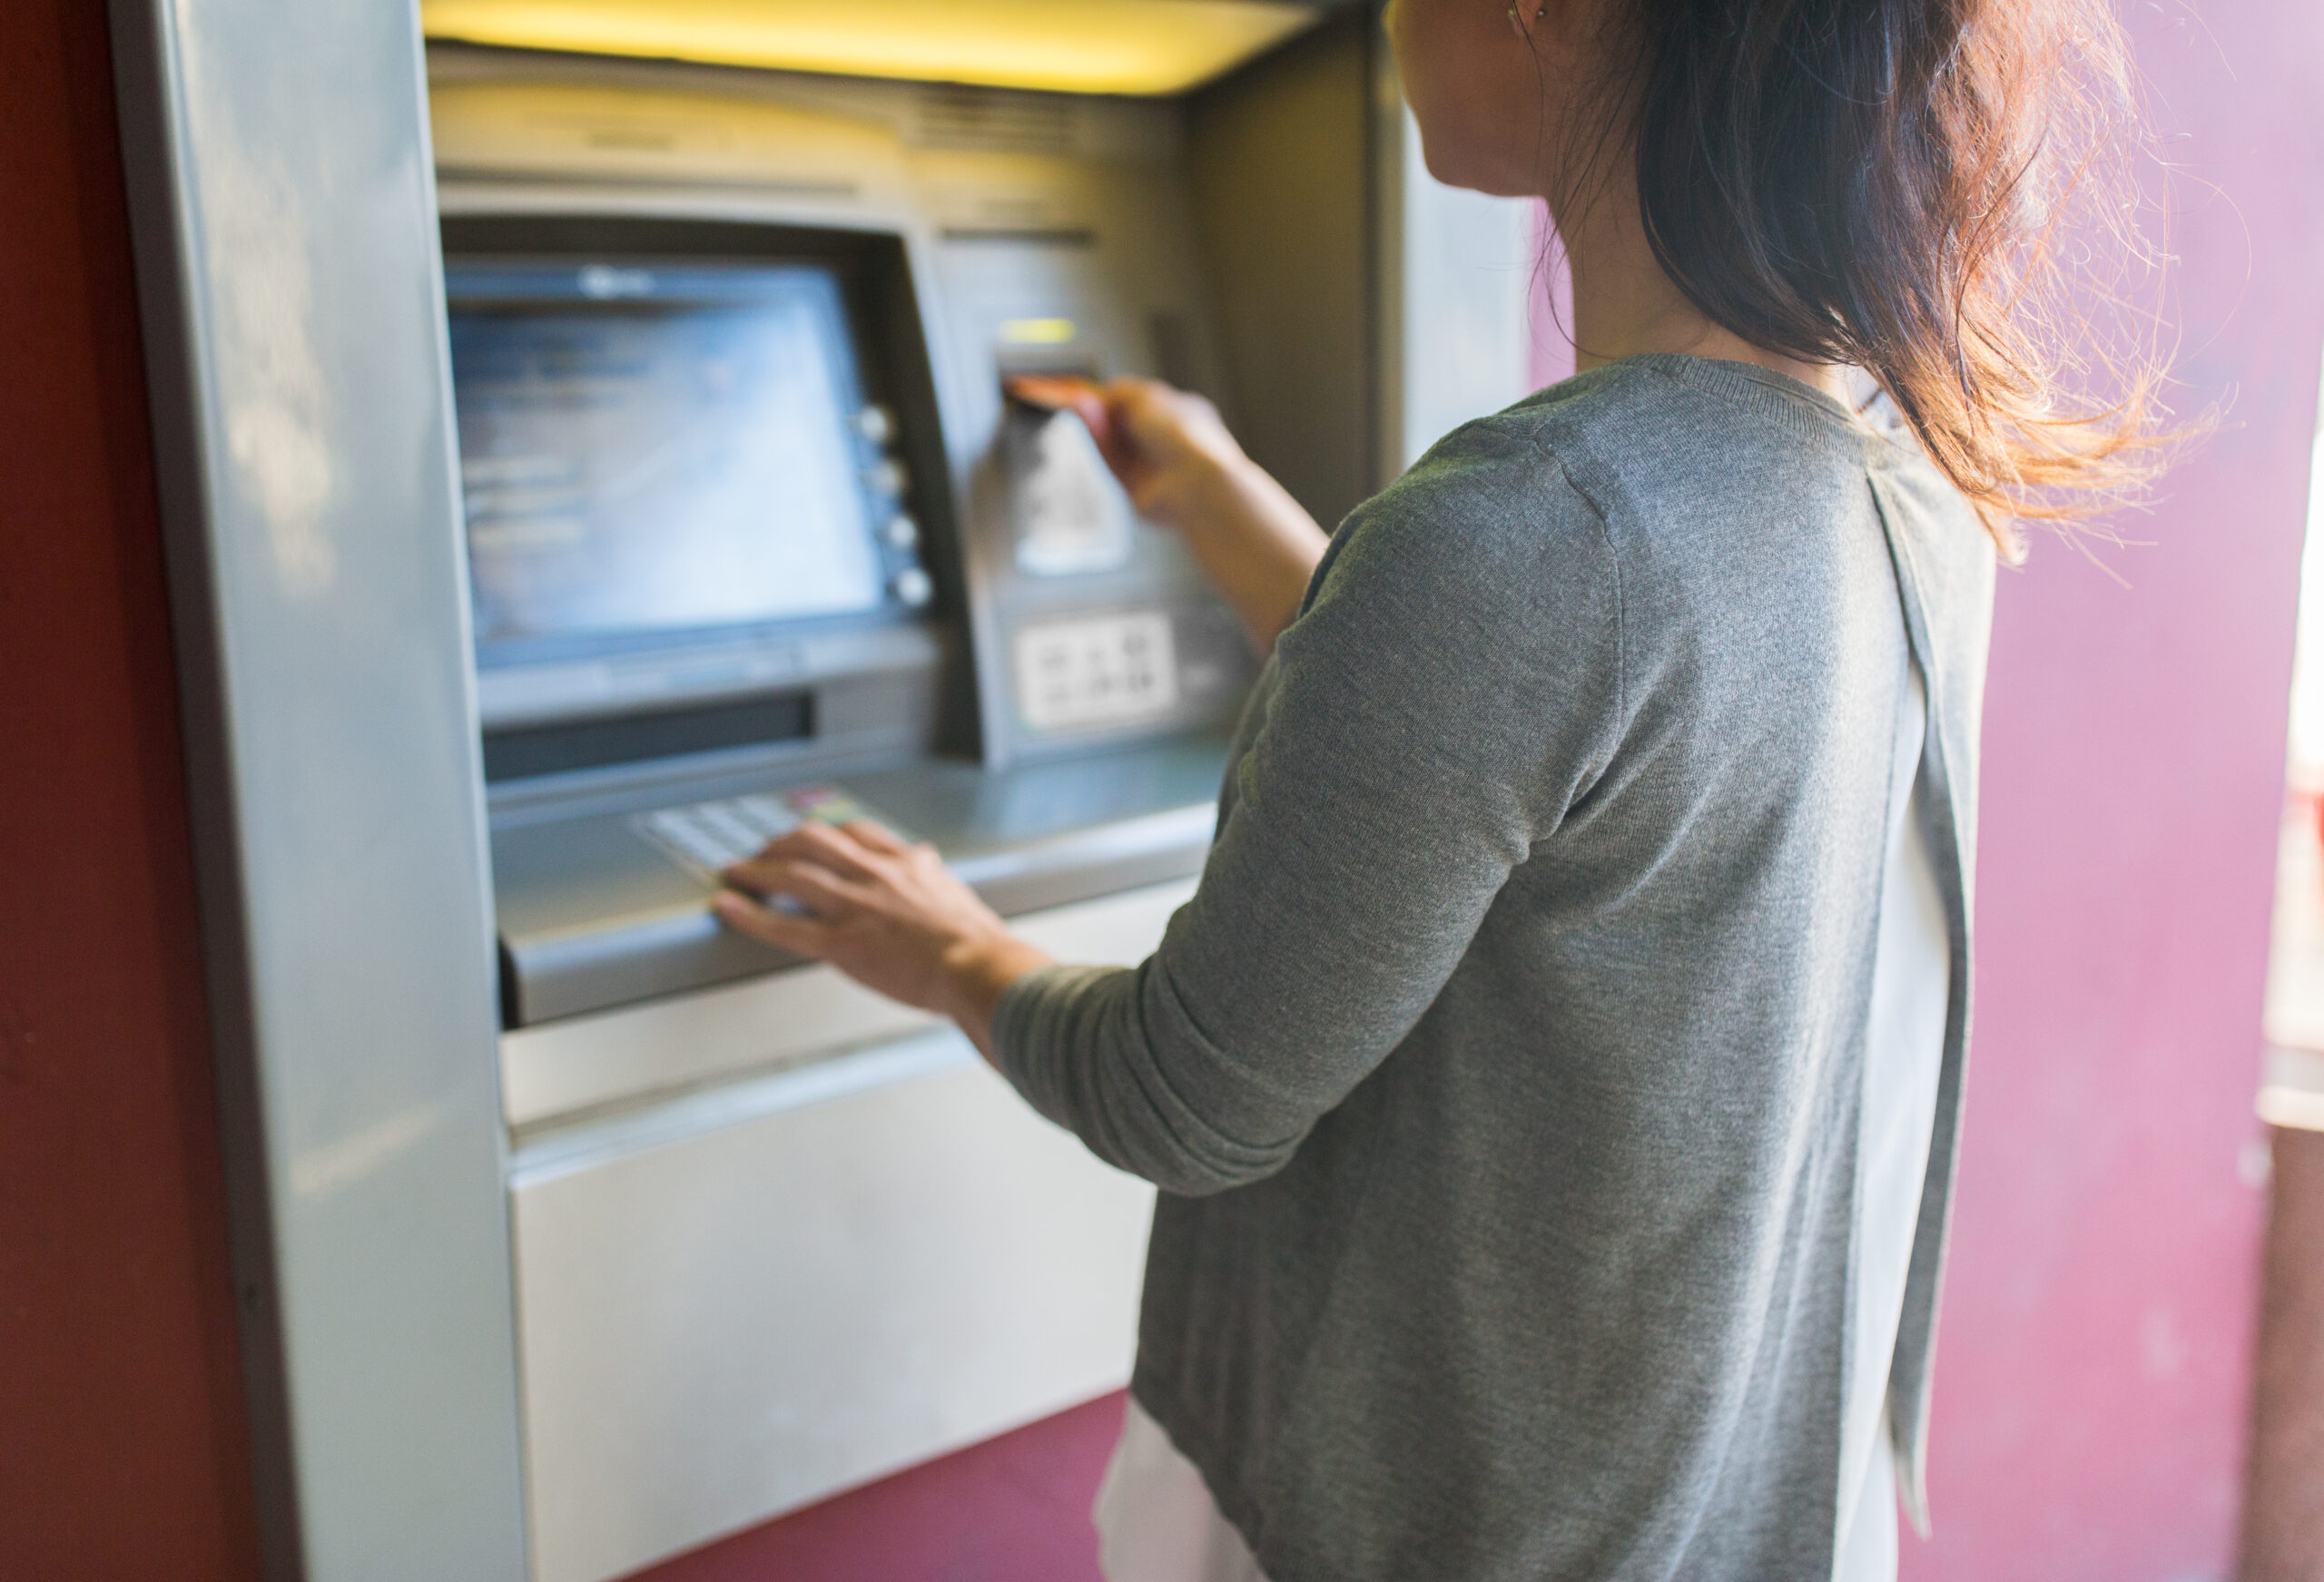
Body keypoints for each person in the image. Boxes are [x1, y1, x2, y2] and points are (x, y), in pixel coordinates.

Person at [712, 0, 2171, 1576]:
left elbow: (1180, 1096)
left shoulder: (1534, 536)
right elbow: (1537, 763)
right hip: (1720, 1516)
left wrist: (943, 943)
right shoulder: (1894, 466)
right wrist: (1214, 500)